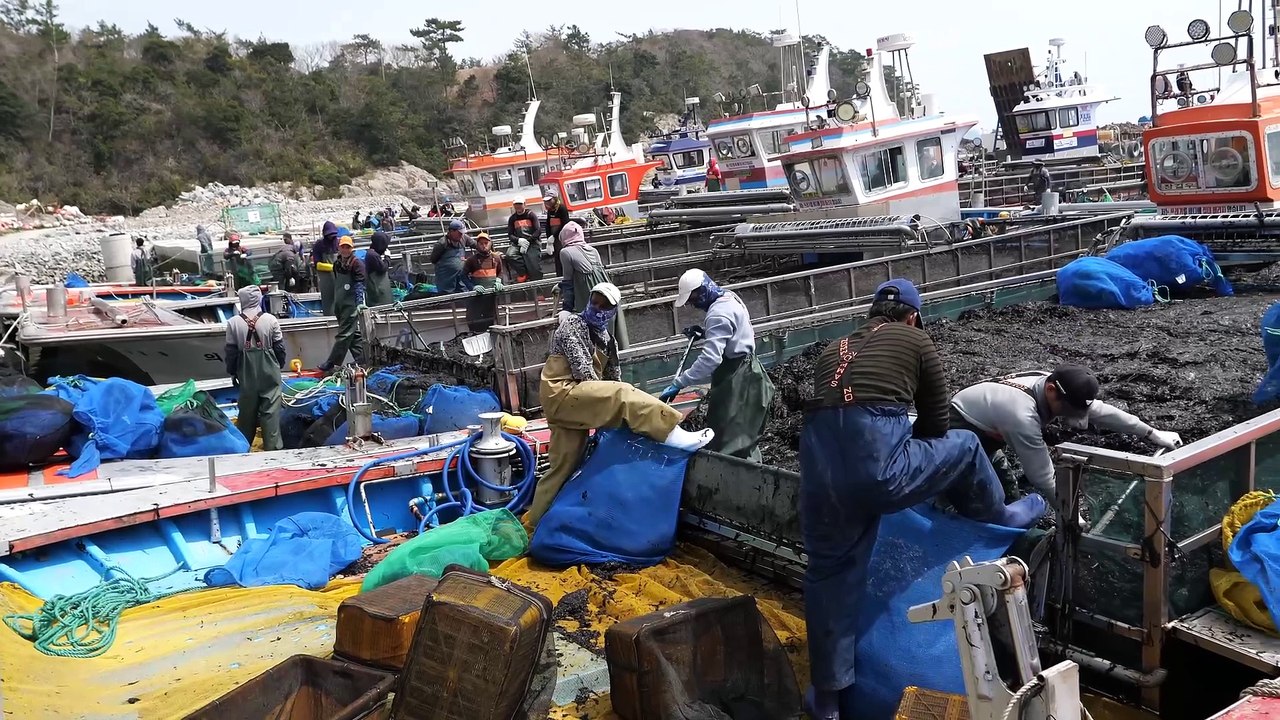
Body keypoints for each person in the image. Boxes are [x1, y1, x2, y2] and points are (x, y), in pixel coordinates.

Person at [799, 278, 1046, 719]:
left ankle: (827, 698)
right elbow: (935, 423)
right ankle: (1001, 516)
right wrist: (916, 469)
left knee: (828, 577)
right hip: (877, 468)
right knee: (966, 445)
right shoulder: (916, 338)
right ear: (913, 316)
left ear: (871, 312)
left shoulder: (830, 348)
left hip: (819, 473)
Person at [525, 282, 716, 529]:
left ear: (613, 311)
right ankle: (672, 431)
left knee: (564, 465)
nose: (597, 308)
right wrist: (611, 407)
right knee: (622, 395)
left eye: (605, 305)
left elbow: (614, 377)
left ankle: (537, 524)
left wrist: (616, 406)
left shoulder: (608, 341)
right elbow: (586, 374)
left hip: (577, 403)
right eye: (595, 301)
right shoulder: (572, 325)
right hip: (562, 393)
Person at [949, 365, 1184, 504]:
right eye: (1071, 411)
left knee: (1007, 491)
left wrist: (1152, 433)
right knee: (976, 496)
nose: (1080, 422)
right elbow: (1041, 476)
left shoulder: (1058, 385)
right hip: (959, 430)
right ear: (1051, 391)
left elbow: (1104, 413)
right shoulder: (1021, 415)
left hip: (992, 429)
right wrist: (1070, 515)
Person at [660, 269, 774, 462]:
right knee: (743, 431)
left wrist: (680, 383)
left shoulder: (717, 315)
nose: (693, 304)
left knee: (731, 435)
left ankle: (739, 481)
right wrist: (706, 333)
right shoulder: (729, 297)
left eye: (693, 298)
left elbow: (710, 360)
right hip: (749, 368)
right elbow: (734, 331)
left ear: (703, 290)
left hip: (738, 378)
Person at [225, 285, 286, 451]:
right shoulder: (271, 320)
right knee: (271, 411)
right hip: (269, 369)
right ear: (258, 299)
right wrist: (278, 366)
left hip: (246, 371)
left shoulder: (232, 323)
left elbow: (231, 353)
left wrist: (232, 371)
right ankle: (273, 449)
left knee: (246, 412)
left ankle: (242, 448)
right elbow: (279, 348)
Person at [318, 234, 366, 372]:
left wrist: (359, 303)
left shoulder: (357, 264)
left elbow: (359, 285)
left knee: (344, 334)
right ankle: (362, 358)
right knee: (353, 335)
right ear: (339, 248)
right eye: (343, 247)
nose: (345, 250)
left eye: (348, 247)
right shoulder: (337, 264)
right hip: (340, 304)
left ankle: (331, 363)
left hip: (350, 306)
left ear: (352, 248)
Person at [462, 231, 504, 333]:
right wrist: (473, 287)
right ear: (477, 245)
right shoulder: (472, 260)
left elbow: (500, 272)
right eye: (481, 243)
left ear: (490, 244)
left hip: (491, 296)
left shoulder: (496, 258)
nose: (484, 246)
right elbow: (463, 276)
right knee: (474, 321)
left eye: (486, 243)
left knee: (490, 319)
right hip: (477, 297)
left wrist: (499, 281)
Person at [430, 219, 477, 294]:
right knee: (447, 298)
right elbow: (433, 259)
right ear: (451, 231)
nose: (461, 235)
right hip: (446, 278)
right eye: (459, 233)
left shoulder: (464, 238)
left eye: (462, 233)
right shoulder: (442, 244)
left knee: (463, 295)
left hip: (461, 276)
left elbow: (476, 245)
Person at [505, 197, 543, 283]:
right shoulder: (512, 218)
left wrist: (528, 241)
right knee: (510, 255)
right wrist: (518, 240)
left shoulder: (531, 215)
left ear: (524, 204)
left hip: (532, 243)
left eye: (520, 204)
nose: (518, 206)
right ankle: (523, 273)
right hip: (518, 243)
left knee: (534, 268)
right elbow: (510, 235)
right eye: (516, 204)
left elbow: (538, 231)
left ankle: (539, 292)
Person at [312, 222, 339, 316]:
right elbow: (317, 264)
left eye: (333, 235)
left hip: (339, 277)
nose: (331, 237)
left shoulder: (338, 243)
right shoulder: (319, 245)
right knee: (328, 302)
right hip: (326, 279)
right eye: (329, 235)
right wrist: (332, 267)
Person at [543, 194, 572, 276]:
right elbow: (548, 224)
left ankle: (566, 275)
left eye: (549, 200)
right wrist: (549, 239)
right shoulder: (550, 211)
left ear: (555, 199)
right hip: (554, 239)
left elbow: (565, 223)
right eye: (546, 201)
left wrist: (554, 236)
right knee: (557, 257)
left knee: (562, 255)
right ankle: (559, 275)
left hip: (562, 238)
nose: (547, 203)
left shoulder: (562, 208)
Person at [364, 230, 393, 307]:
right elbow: (383, 268)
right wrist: (387, 257)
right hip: (378, 292)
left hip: (379, 291)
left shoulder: (372, 253)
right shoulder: (372, 255)